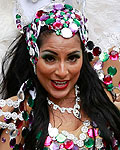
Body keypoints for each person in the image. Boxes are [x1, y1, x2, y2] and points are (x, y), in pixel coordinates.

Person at [0, 0, 120, 150]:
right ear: (33, 58)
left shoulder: (105, 94)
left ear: (83, 57)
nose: (62, 72)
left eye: (72, 58)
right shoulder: (19, 114)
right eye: (50, 58)